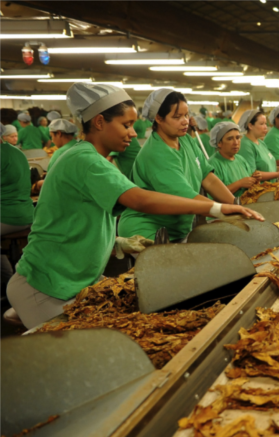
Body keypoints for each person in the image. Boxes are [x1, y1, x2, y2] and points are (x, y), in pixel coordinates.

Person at [6, 83, 261, 328]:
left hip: (71, 280)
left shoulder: (94, 159)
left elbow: (76, 220)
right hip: (46, 284)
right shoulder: (85, 160)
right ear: (98, 122)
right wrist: (216, 208)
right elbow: (140, 199)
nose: (133, 132)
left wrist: (116, 243)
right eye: (126, 125)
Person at [118, 88, 238, 242]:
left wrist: (234, 204)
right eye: (177, 117)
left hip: (177, 227)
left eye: (186, 115)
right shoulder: (156, 153)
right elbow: (184, 197)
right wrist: (222, 210)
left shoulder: (185, 140)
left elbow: (208, 178)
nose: (185, 121)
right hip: (147, 229)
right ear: (159, 119)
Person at [0, 122, 34, 300]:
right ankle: (8, 283)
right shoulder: (16, 152)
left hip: (7, 216)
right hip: (27, 213)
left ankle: (10, 285)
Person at [208, 122, 279, 197]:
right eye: (230, 139)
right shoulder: (213, 164)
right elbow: (215, 194)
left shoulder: (240, 159)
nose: (236, 142)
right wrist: (239, 184)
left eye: (238, 137)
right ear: (219, 143)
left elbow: (250, 185)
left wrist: (255, 179)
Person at [237, 109, 279, 182]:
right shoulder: (245, 145)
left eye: (265, 124)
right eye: (262, 124)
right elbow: (252, 174)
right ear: (250, 126)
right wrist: (278, 174)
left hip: (271, 187)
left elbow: (269, 168)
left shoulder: (261, 142)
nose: (265, 127)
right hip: (260, 190)